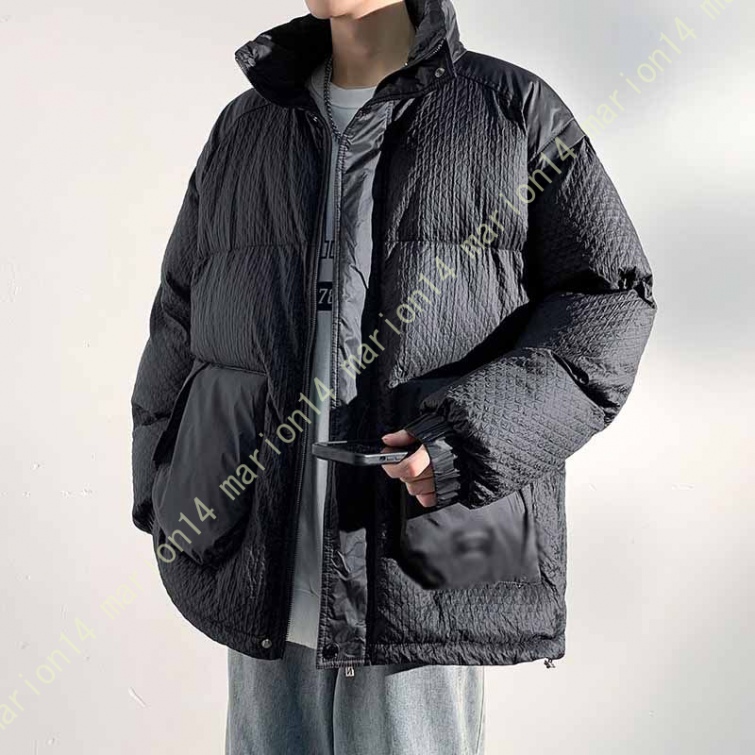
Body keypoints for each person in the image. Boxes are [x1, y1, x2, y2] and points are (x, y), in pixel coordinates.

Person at [129, 0, 657, 752]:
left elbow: (610, 301)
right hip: (261, 557)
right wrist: (166, 490)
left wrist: (464, 442)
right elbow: (179, 317)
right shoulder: (246, 126)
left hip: (426, 557)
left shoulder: (510, 110)